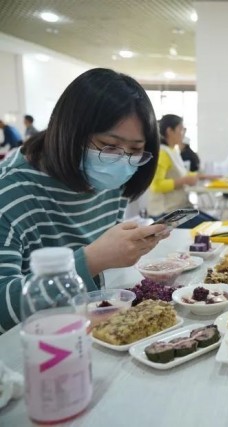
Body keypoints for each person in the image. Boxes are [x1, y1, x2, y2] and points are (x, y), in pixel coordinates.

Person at [0, 68, 169, 333]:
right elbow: (2, 311)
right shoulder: (10, 191)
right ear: (70, 131)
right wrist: (91, 260)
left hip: (84, 331)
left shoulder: (111, 180)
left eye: (136, 150)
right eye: (108, 145)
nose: (121, 161)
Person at [148, 114, 218, 228]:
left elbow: (182, 173)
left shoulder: (173, 151)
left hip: (180, 208)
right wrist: (184, 180)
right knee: (213, 228)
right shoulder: (163, 153)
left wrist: (204, 176)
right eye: (181, 129)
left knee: (216, 223)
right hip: (167, 213)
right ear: (170, 131)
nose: (183, 133)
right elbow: (156, 185)